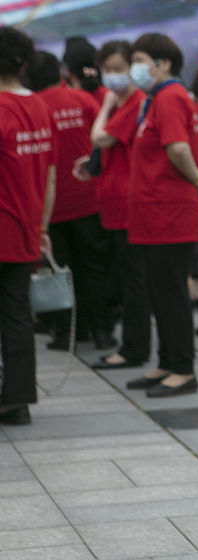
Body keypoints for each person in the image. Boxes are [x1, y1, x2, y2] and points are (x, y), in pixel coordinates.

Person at [124, 33, 198, 398]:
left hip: (170, 212)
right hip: (153, 213)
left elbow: (177, 149)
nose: (136, 68)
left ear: (164, 64)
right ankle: (167, 361)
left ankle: (184, 368)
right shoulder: (156, 98)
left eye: (141, 59)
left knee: (172, 293)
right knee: (159, 292)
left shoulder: (170, 97)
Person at [25, 51, 111, 352]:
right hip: (90, 198)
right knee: (94, 267)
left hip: (52, 205)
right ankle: (103, 331)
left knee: (59, 269)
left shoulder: (33, 108)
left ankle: (67, 334)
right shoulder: (83, 100)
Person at [0, 27, 55, 426]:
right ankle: (17, 400)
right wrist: (42, 227)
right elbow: (50, 174)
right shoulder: (38, 106)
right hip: (26, 227)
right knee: (17, 314)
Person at [86, 40, 151, 371]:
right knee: (125, 277)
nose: (111, 77)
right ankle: (132, 345)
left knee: (133, 280)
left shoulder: (132, 103)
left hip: (129, 205)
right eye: (106, 70)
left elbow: (100, 137)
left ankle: (134, 348)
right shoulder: (125, 102)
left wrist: (106, 106)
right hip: (113, 202)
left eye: (118, 69)